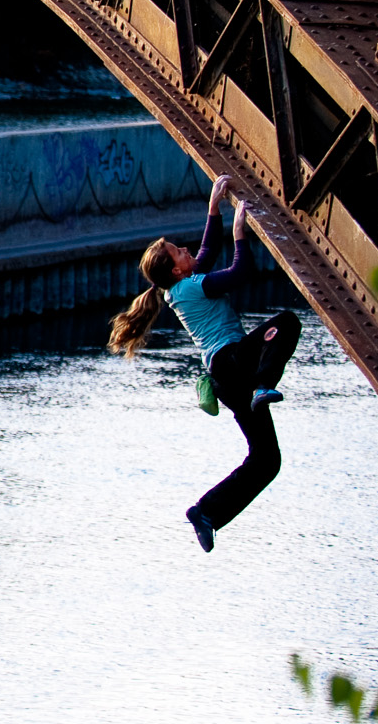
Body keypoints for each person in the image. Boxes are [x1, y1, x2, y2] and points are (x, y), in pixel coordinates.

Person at [107, 173, 302, 553]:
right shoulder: (192, 286)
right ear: (177, 269)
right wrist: (240, 231)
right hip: (234, 364)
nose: (187, 250)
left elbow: (207, 252)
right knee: (287, 323)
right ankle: (264, 385)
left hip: (226, 379)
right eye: (180, 251)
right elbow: (240, 272)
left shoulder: (181, 286)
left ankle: (206, 513)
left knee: (266, 460)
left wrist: (214, 207)